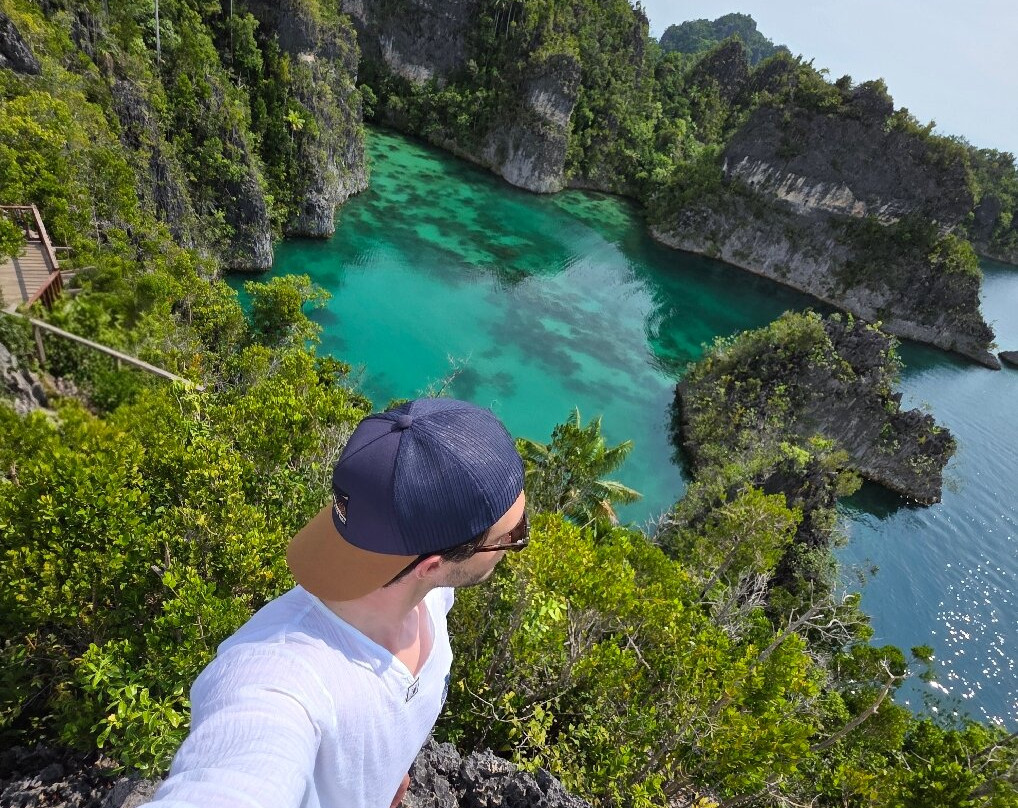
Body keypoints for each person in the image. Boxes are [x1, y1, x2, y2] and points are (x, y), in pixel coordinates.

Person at [143, 397, 528, 808]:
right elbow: (234, 778)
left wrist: (378, 778)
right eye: (514, 534)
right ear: (432, 565)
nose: (519, 540)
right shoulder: (277, 680)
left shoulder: (431, 593)